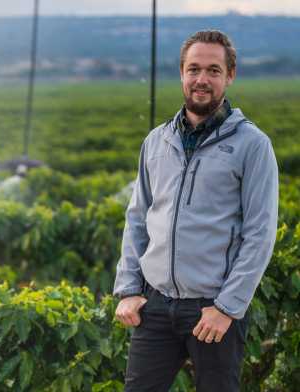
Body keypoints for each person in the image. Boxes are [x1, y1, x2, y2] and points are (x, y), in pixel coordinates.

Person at [113, 30, 278, 392]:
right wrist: (128, 289)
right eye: (194, 69)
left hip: (212, 310)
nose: (202, 79)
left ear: (229, 75)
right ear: (182, 74)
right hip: (154, 307)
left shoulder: (252, 145)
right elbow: (138, 218)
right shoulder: (156, 141)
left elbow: (260, 233)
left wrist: (228, 308)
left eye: (213, 71)